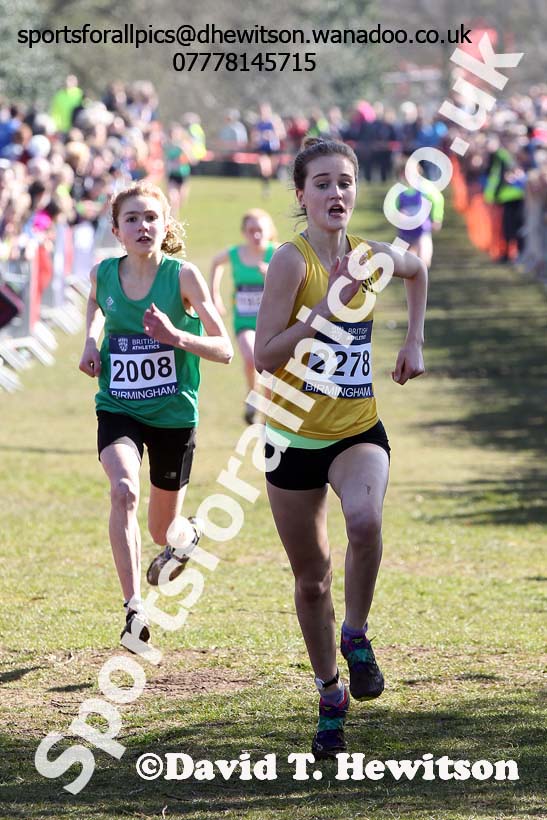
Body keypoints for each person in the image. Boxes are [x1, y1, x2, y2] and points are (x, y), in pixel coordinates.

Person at [254, 138, 427, 758]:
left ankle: (355, 633)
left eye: (345, 182)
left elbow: (417, 269)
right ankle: (331, 693)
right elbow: (264, 354)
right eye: (322, 183)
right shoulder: (291, 261)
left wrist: (414, 340)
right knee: (311, 582)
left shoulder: (370, 257)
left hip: (357, 428)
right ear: (302, 196)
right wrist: (321, 314)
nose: (336, 193)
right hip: (292, 436)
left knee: (365, 519)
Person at [78, 182, 233, 646]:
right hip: (118, 405)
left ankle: (186, 538)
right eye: (132, 218)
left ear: (166, 226)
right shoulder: (104, 273)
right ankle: (134, 610)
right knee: (123, 490)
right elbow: (95, 303)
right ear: (116, 230)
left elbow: (224, 348)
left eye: (151, 217)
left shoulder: (183, 277)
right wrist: (90, 341)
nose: (142, 225)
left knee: (162, 528)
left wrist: (176, 337)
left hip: (173, 415)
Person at [210, 209, 278, 424]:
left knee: (269, 371)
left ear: (269, 231)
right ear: (244, 232)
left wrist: (272, 274)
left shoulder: (278, 254)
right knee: (250, 358)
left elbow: (294, 279)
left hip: (272, 324)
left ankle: (267, 420)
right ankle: (252, 396)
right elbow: (216, 263)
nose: (255, 235)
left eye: (260, 230)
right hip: (244, 321)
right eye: (251, 230)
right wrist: (214, 296)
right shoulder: (235, 253)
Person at [393, 153, 444, 268]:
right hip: (405, 232)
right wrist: (398, 215)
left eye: (412, 172)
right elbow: (393, 208)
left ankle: (422, 275)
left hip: (423, 230)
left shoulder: (425, 187)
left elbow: (438, 199)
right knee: (407, 262)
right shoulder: (399, 190)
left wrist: (437, 218)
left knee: (425, 259)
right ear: (401, 173)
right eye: (405, 172)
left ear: (418, 171)